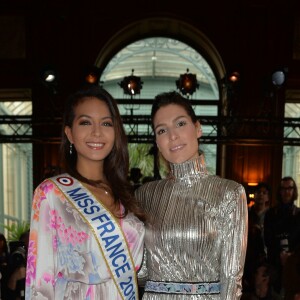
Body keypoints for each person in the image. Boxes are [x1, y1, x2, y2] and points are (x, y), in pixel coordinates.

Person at [25, 85, 145, 299]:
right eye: (85, 122)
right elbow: (40, 279)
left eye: (106, 123)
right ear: (69, 133)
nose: (97, 132)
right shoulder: (52, 193)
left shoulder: (124, 195)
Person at [135, 91, 248, 299]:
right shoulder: (144, 195)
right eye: (162, 130)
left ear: (198, 128)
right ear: (157, 142)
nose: (172, 136)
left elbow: (231, 277)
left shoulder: (229, 193)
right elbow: (139, 272)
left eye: (180, 124)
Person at [264, 176, 300, 296]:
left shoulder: (299, 214)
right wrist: (280, 253)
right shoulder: (270, 214)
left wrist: (291, 255)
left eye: (289, 188)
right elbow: (268, 239)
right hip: (274, 263)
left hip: (295, 265)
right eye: (283, 189)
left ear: (294, 190)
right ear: (279, 191)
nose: (286, 192)